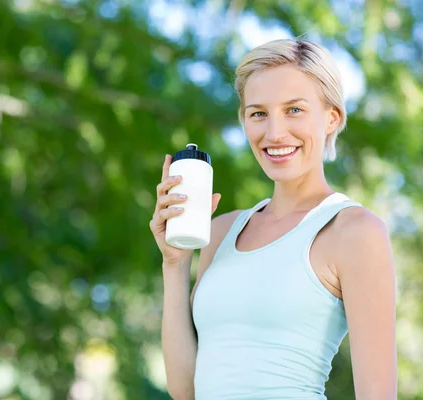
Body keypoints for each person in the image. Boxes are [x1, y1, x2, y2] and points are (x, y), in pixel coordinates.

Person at [150, 39, 397, 400]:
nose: (275, 133)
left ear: (331, 117)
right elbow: (186, 389)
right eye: (258, 113)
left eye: (294, 110)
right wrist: (174, 263)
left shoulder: (354, 232)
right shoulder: (220, 231)